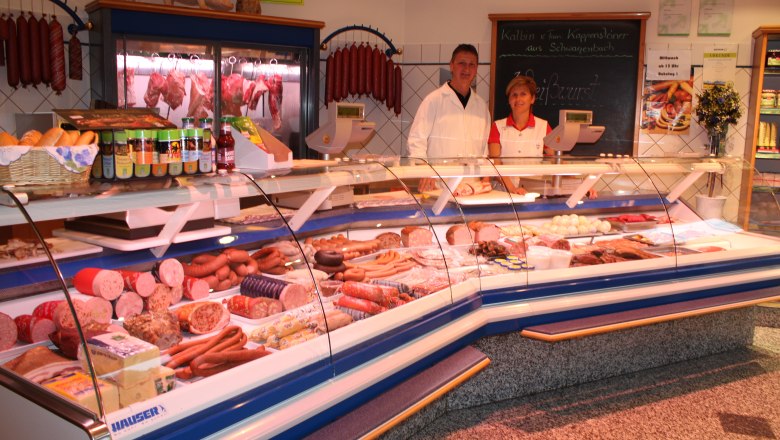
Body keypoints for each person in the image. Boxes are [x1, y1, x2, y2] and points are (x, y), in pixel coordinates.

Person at [405, 44, 491, 191]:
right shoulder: (433, 100)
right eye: (461, 63)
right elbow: (416, 142)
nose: (466, 69)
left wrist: (486, 178)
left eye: (471, 65)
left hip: (471, 188)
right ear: (451, 66)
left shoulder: (481, 107)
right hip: (438, 187)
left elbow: (484, 151)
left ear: (476, 70)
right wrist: (425, 171)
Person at [487, 75, 551, 195]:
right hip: (504, 194)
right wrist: (513, 189)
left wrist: (579, 186)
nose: (518, 99)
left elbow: (557, 160)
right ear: (509, 99)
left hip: (534, 192)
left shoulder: (543, 126)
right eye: (514, 95)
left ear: (532, 99)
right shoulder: (497, 126)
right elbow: (496, 164)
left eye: (523, 94)